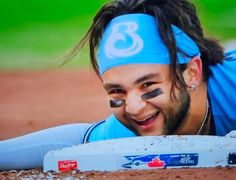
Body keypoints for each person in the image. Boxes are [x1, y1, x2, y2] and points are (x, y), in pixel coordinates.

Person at [1, 0, 235, 171]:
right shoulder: (143, 123)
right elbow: (75, 139)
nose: (133, 108)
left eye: (148, 85)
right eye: (117, 91)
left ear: (192, 73)